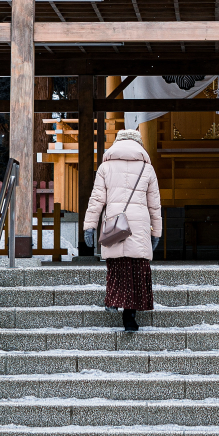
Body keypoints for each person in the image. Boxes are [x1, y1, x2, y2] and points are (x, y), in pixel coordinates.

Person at [82, 127, 163, 331]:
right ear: (139, 145)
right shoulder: (147, 169)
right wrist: (157, 232)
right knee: (136, 270)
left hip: (115, 224)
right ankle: (130, 317)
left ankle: (113, 299)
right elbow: (154, 205)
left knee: (117, 267)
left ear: (117, 143)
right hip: (139, 225)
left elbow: (97, 200)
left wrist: (89, 226)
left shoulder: (105, 167)